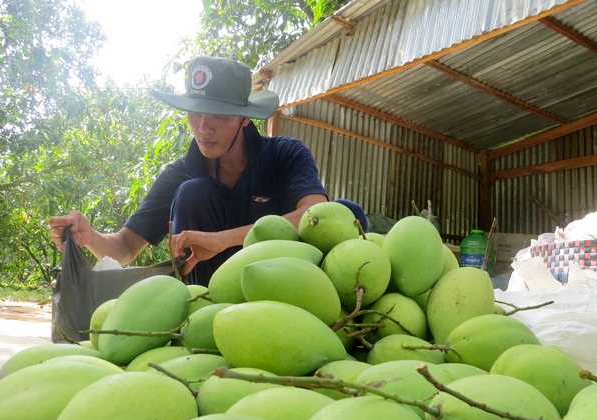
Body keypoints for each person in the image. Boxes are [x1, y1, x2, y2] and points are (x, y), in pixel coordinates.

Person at [48, 56, 366, 285]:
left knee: (348, 213)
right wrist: (89, 236)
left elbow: (318, 213)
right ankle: (197, 312)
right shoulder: (180, 175)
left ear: (245, 118)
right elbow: (126, 248)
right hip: (211, 300)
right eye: (195, 113)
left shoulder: (285, 154)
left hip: (286, 284)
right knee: (192, 192)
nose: (204, 127)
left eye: (219, 115)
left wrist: (223, 239)